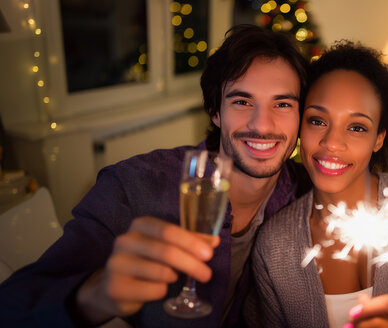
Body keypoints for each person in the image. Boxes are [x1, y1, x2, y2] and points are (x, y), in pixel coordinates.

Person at [0, 24, 311, 327]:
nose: (263, 125)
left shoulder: (305, 191)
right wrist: (92, 296)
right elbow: (12, 307)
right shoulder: (135, 186)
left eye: (283, 104)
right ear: (216, 112)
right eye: (242, 101)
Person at [249, 42, 388, 327]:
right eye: (317, 121)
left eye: (357, 127)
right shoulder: (274, 247)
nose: (331, 143)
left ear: (379, 137)